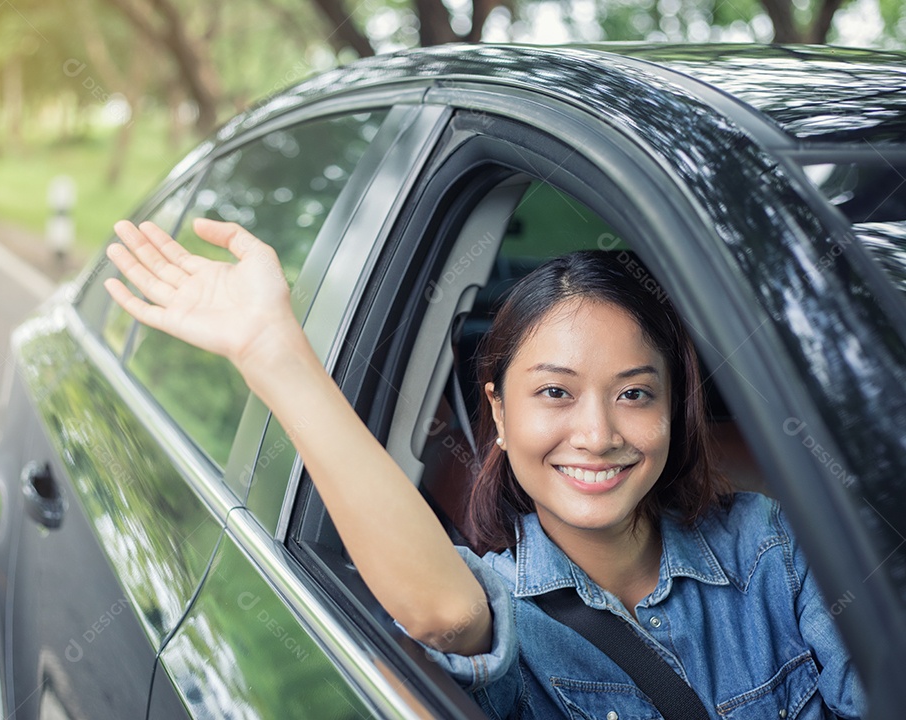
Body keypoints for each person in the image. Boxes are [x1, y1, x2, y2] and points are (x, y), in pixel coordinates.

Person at [104, 217, 865, 720]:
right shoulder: (496, 598)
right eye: (555, 394)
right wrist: (274, 354)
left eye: (635, 393)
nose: (596, 434)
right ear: (498, 411)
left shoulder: (770, 544)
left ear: (674, 405)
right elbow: (448, 616)